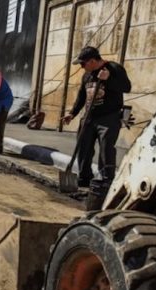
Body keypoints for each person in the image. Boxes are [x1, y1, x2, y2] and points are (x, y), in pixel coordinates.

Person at [62, 46, 131, 188]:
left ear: (92, 61)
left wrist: (108, 79)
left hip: (109, 117)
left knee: (106, 149)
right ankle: (84, 177)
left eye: (83, 64)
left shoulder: (114, 68)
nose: (82, 67)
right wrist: (72, 113)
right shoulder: (87, 75)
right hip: (89, 117)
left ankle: (106, 180)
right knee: (83, 147)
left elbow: (126, 87)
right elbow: (82, 96)